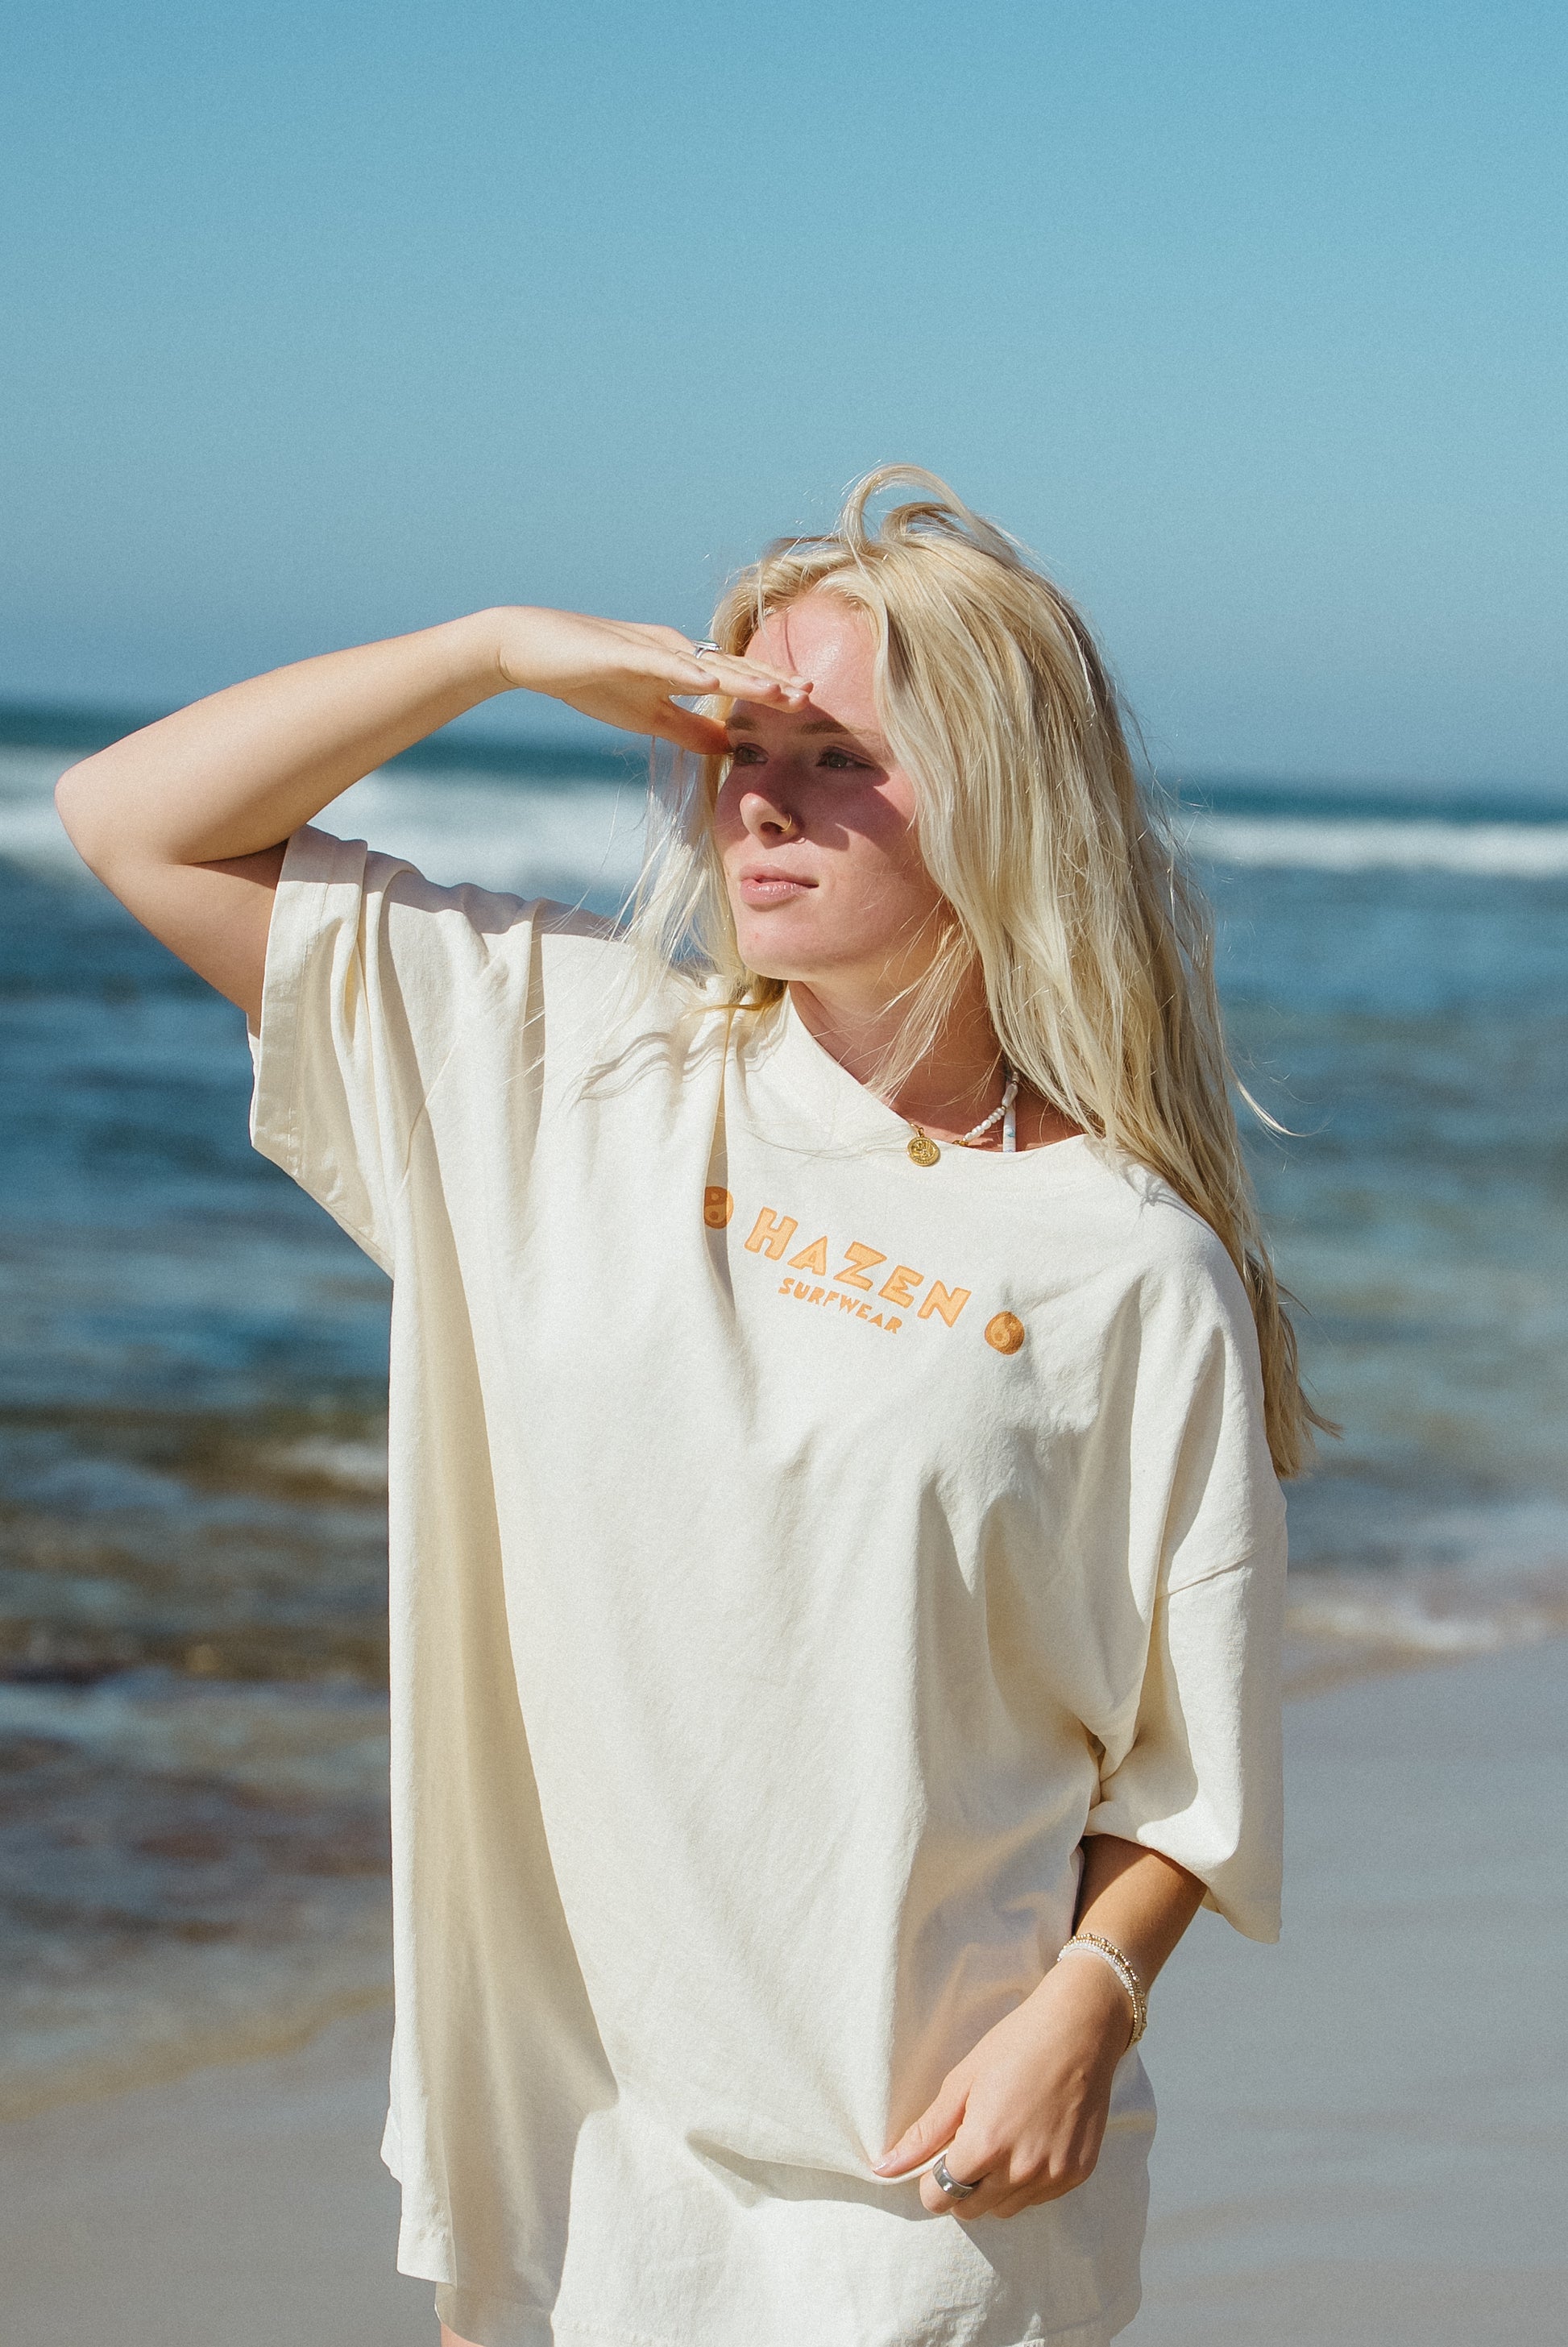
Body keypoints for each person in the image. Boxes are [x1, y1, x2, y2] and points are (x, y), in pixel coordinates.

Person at [56, 468, 1309, 2347]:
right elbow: (135, 820)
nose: (762, 800)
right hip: (597, 2170)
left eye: (836, 755)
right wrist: (491, 649)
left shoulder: (1127, 1263)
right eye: (739, 745)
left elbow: (1182, 1762)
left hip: (921, 2186)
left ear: (996, 792)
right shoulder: (566, 1065)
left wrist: (1086, 2004)